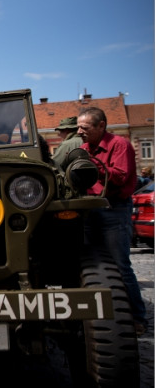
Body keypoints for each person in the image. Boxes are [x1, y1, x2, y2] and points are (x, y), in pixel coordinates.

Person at [77, 107, 147, 335]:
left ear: (101, 126)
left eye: (84, 128)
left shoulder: (120, 145)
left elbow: (119, 177)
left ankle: (137, 318)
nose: (79, 132)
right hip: (91, 208)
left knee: (120, 266)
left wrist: (91, 164)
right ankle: (101, 315)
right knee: (93, 265)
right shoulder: (84, 148)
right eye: (79, 127)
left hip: (114, 208)